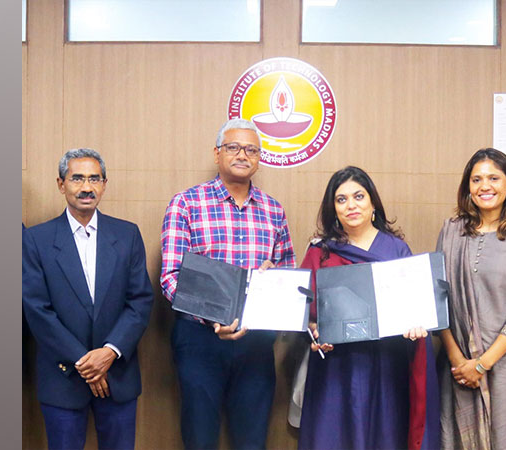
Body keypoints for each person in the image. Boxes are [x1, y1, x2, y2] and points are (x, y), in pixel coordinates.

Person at [160, 118, 295, 449]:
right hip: (200, 339)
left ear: (259, 158)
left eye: (251, 149)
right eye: (233, 147)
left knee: (252, 440)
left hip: (255, 342)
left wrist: (274, 278)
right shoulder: (187, 203)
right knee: (200, 437)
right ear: (217, 153)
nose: (242, 155)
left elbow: (288, 274)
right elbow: (170, 277)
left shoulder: (273, 210)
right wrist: (213, 317)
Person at [298, 166, 440, 450]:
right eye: (341, 199)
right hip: (336, 367)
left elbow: (414, 307)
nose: (351, 205)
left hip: (386, 363)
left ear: (372, 202)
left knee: (385, 435)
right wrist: (314, 333)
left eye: (358, 196)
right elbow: (304, 313)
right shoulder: (320, 251)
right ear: (332, 209)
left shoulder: (396, 250)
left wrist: (415, 326)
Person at [22, 148, 154, 450]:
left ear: (104, 184)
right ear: (61, 184)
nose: (86, 187)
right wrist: (86, 363)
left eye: (94, 179)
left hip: (117, 374)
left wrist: (108, 353)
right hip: (63, 378)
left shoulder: (127, 234)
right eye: (77, 178)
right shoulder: (36, 240)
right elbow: (37, 310)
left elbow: (140, 301)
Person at [436, 148, 506, 450]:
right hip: (455, 365)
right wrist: (459, 360)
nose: (485, 186)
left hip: (505, 365)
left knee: (503, 440)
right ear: (467, 187)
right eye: (476, 179)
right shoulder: (452, 231)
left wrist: (481, 364)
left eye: (494, 178)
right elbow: (437, 295)